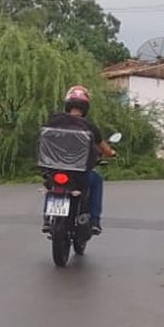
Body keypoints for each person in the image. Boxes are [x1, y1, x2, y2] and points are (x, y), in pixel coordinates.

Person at [41, 85, 116, 235]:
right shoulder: (89, 127)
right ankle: (95, 221)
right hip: (79, 174)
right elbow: (105, 150)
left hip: (54, 169)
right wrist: (111, 153)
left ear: (67, 104)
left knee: (51, 185)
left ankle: (47, 219)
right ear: (85, 107)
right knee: (97, 181)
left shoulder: (52, 122)